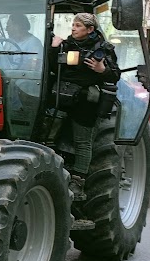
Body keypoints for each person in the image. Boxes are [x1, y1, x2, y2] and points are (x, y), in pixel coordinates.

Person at [51, 13, 121, 196]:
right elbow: (52, 68)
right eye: (73, 24)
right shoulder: (66, 44)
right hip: (61, 97)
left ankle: (78, 181)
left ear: (90, 29)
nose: (73, 28)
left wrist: (102, 69)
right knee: (49, 137)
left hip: (84, 102)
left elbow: (115, 75)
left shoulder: (103, 49)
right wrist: (54, 48)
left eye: (78, 25)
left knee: (82, 142)